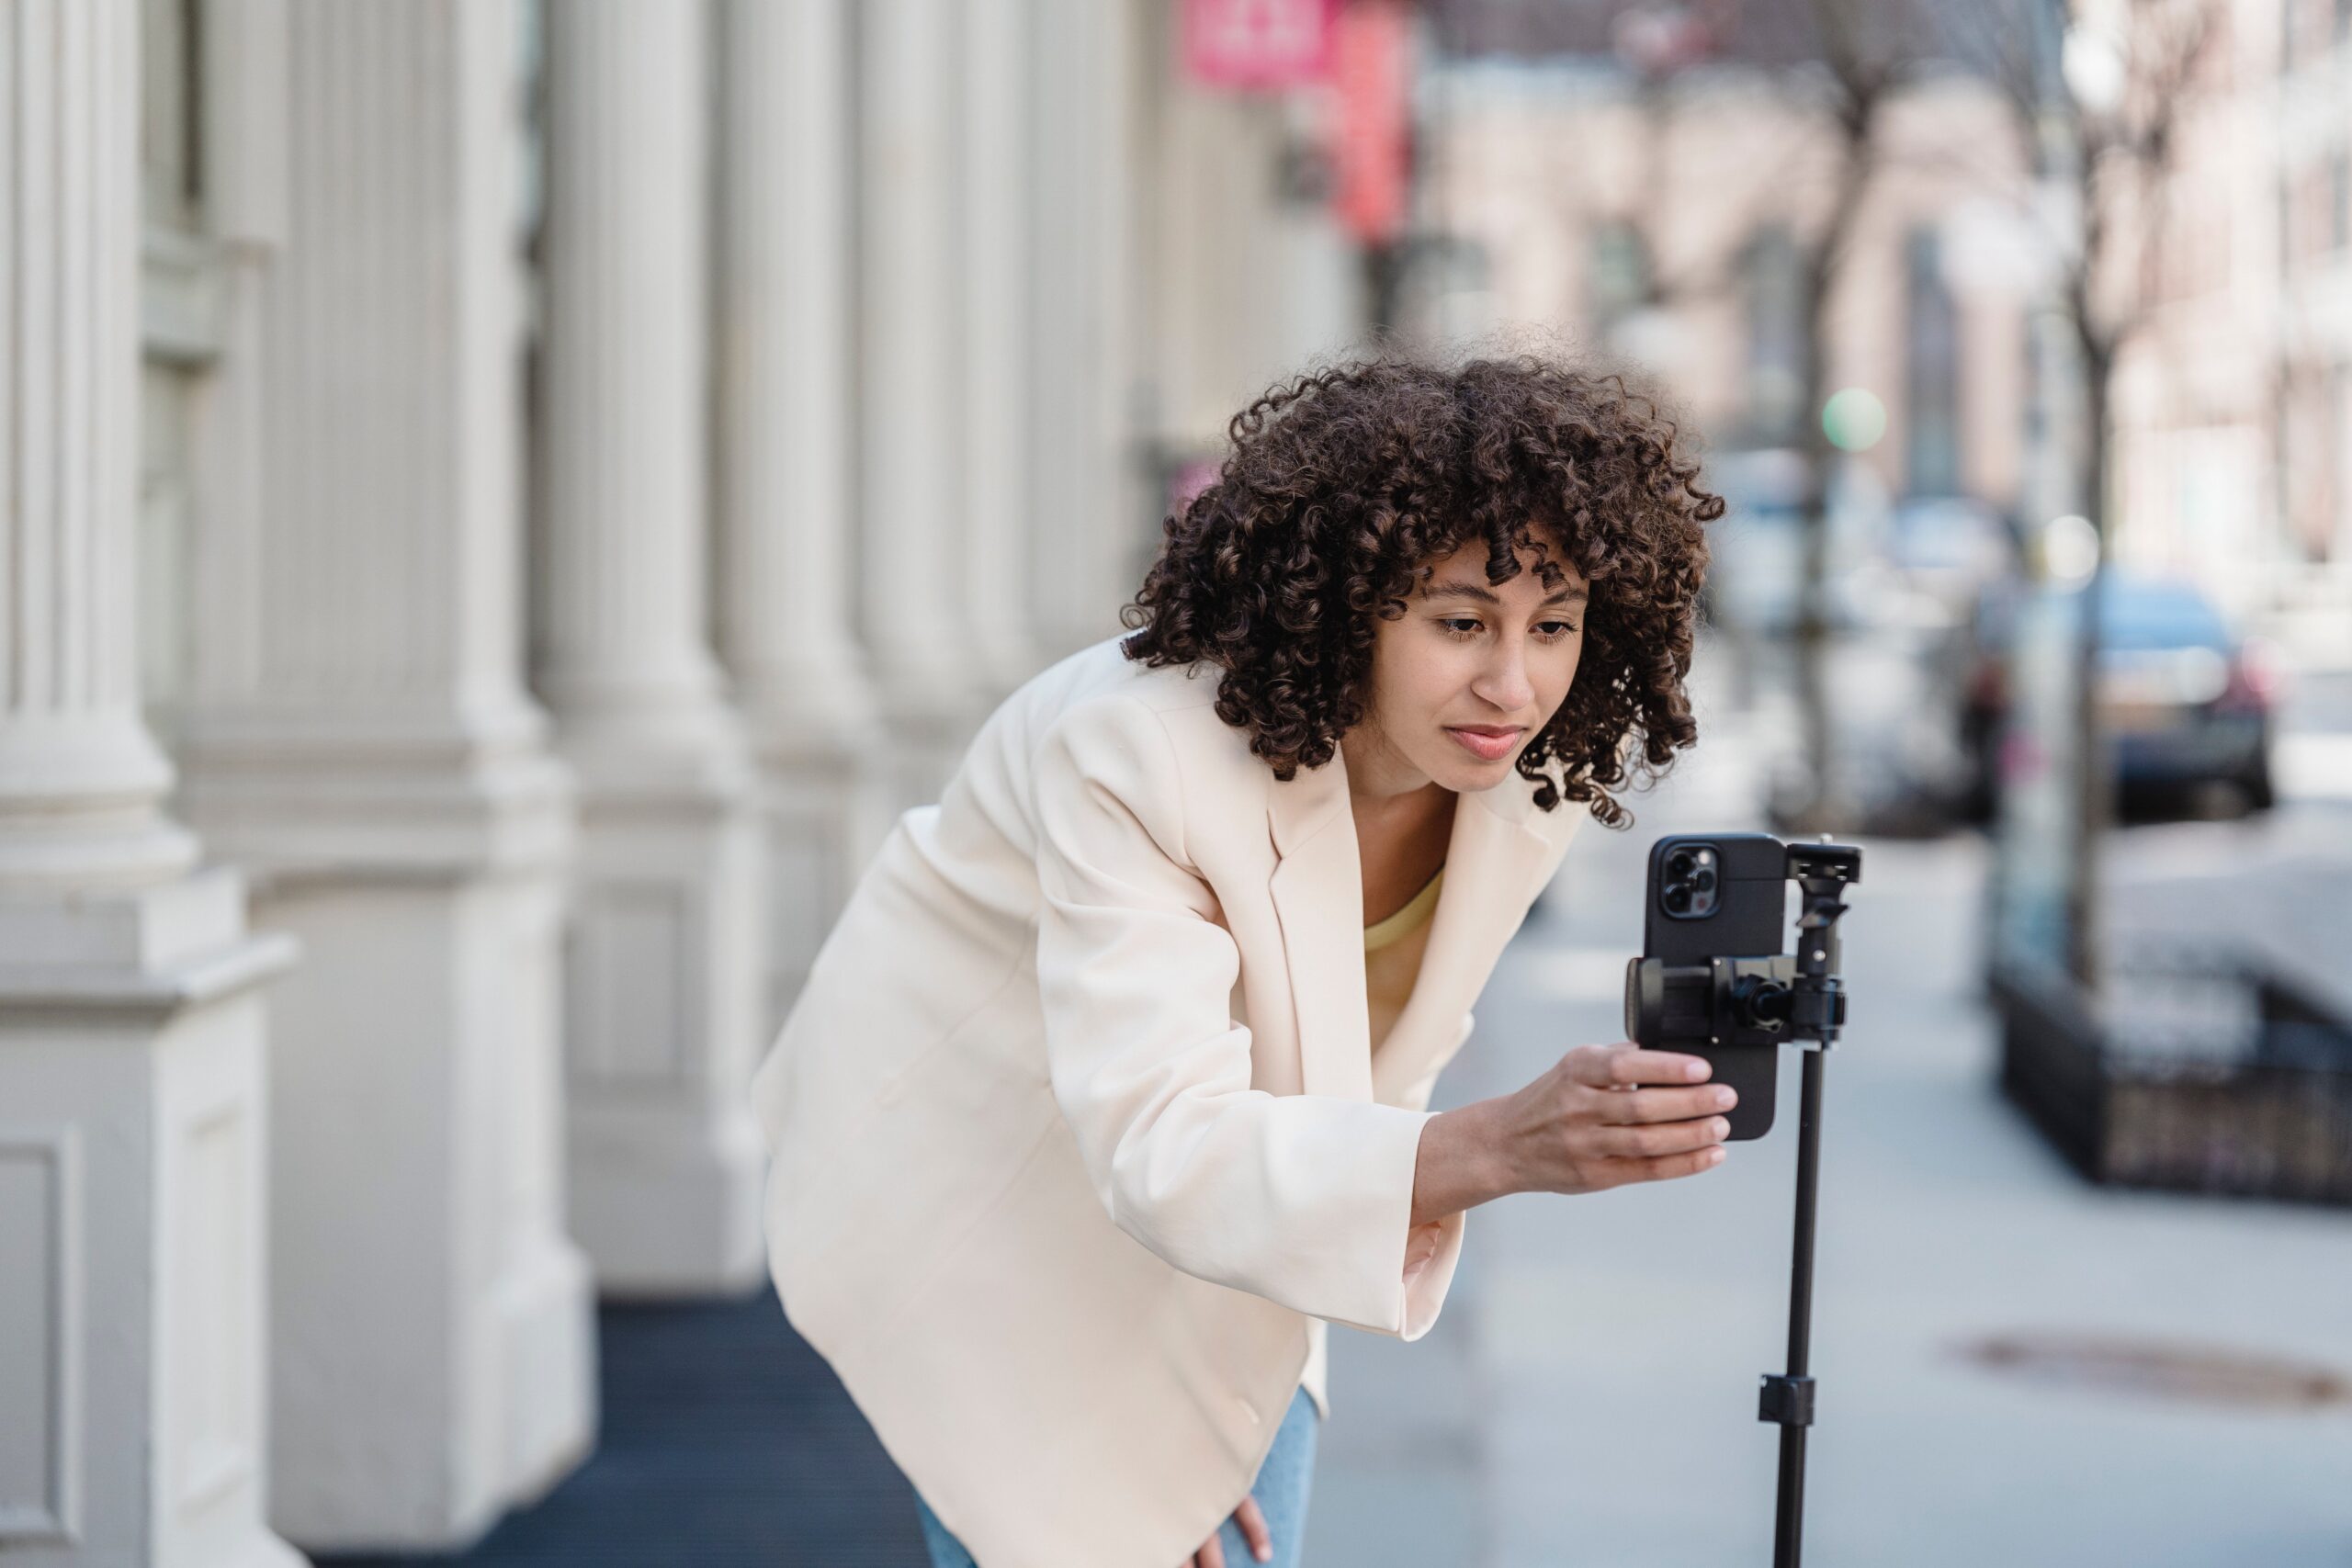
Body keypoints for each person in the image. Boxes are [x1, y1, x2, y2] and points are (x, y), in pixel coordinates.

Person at [748, 353, 1730, 1568]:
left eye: (1556, 624)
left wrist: (1202, 1431)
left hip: (1226, 1196)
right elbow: (1158, 1138)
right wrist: (1500, 1148)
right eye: (1461, 621)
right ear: (1344, 599)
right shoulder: (1135, 753)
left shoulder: (1514, 778)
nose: (1513, 681)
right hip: (983, 1188)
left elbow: (1334, 1098)